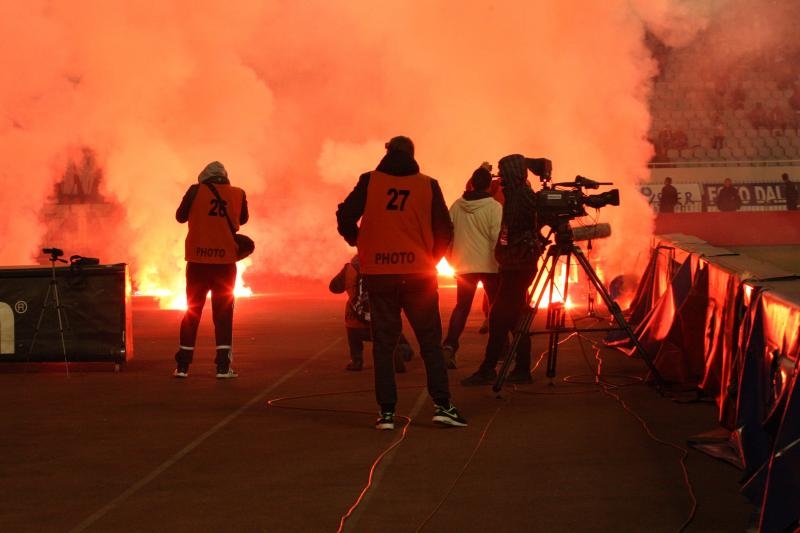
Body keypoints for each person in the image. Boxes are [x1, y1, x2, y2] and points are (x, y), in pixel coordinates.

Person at [336, 135, 467, 430]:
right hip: (419, 274)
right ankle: (443, 406)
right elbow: (444, 227)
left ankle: (386, 413)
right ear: (412, 154)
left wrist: (358, 242)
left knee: (383, 345)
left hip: (380, 274)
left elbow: (345, 214)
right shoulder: (427, 184)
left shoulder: (370, 181)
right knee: (430, 343)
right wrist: (432, 258)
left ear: (387, 153)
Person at [461, 154, 550, 387]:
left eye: (503, 172)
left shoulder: (519, 198)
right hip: (517, 265)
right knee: (515, 316)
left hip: (516, 266)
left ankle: (491, 369)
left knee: (500, 317)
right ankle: (519, 368)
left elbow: (513, 230)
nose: (500, 178)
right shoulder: (520, 195)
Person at [174, 161, 249, 379]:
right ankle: (223, 367)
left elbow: (180, 217)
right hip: (225, 264)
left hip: (197, 262)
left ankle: (183, 367)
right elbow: (242, 220)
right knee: (223, 315)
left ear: (203, 177)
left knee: (192, 312)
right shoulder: (238, 193)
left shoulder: (195, 191)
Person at [442, 165, 502, 369]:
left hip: (464, 265)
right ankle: (500, 349)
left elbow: (447, 235)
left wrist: (451, 259)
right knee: (496, 307)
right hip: (490, 265)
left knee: (462, 307)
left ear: (472, 183)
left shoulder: (456, 206)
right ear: (489, 187)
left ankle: (449, 346)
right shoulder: (494, 207)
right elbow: (497, 237)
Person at [328, 255, 415, 372]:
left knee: (352, 334)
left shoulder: (349, 269)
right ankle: (400, 352)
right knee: (400, 341)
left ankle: (356, 360)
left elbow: (334, 288)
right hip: (381, 323)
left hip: (355, 325)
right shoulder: (384, 266)